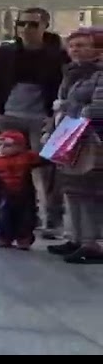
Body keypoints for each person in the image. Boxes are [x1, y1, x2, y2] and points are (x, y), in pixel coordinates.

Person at [0, 8, 69, 238]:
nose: (26, 29)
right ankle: (20, 219)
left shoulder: (59, 54)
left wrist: (57, 115)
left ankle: (54, 219)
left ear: (45, 26)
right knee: (13, 170)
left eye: (33, 24)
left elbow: (65, 84)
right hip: (9, 115)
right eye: (22, 24)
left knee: (47, 170)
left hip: (43, 117)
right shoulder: (7, 52)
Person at [47, 27, 102, 264]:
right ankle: (76, 237)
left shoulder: (99, 74)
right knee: (73, 189)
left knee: (90, 192)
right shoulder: (72, 72)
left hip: (92, 139)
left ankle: (93, 243)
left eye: (82, 45)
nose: (76, 50)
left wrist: (69, 111)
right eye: (73, 45)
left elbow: (99, 107)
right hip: (70, 138)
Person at [0, 130, 43, 250]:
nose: (2, 148)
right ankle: (5, 236)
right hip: (4, 194)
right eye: (0, 145)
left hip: (25, 194)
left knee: (26, 216)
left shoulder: (27, 157)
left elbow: (43, 159)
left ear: (20, 146)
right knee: (2, 215)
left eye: (7, 146)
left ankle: (24, 238)